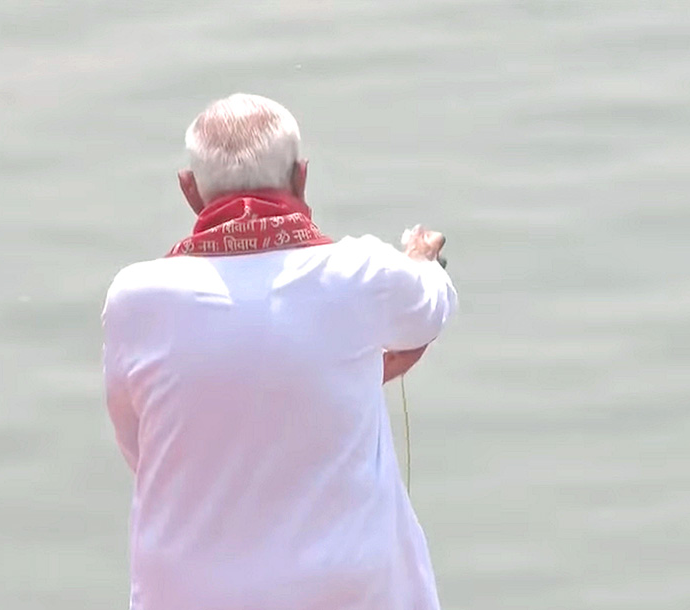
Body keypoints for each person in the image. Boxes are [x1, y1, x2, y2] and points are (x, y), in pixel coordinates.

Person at [101, 93, 457, 610]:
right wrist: (421, 259)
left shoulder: (136, 297)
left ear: (189, 190)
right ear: (301, 178)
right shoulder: (361, 274)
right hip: (347, 592)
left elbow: (142, 447)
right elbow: (430, 311)